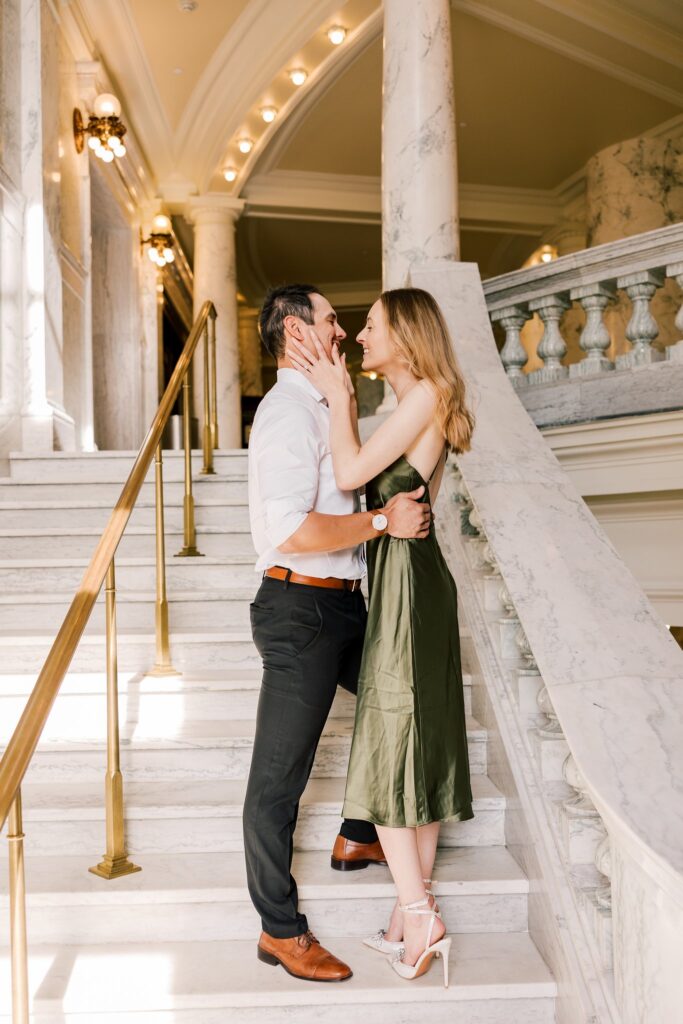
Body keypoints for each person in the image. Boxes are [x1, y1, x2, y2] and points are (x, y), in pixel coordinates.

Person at [286, 286, 475, 987]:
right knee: (414, 741)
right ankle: (408, 916)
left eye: (369, 327)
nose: (359, 338)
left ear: (404, 332)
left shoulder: (426, 392)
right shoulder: (409, 402)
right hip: (403, 578)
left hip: (409, 587)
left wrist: (337, 398)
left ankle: (417, 913)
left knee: (392, 740)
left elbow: (349, 473)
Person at [243, 283, 432, 984]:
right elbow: (293, 529)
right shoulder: (287, 414)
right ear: (297, 331)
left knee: (404, 706)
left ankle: (358, 834)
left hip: (346, 605)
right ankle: (280, 930)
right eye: (330, 320)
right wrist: (383, 522)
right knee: (276, 782)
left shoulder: (325, 406)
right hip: (300, 611)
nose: (343, 330)